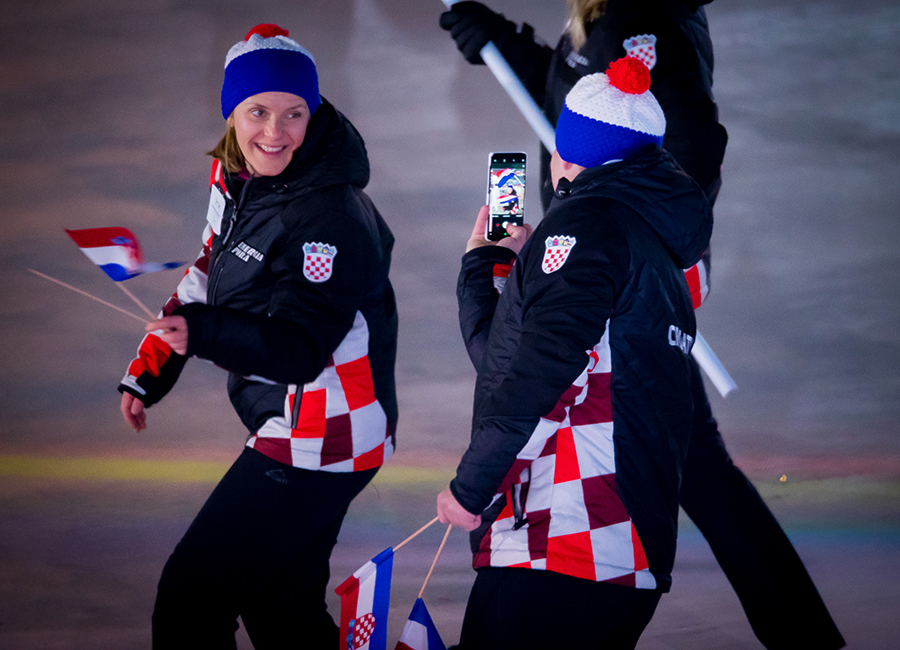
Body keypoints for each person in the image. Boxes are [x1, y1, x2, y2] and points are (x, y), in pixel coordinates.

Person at [440, 2, 846, 648]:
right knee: (687, 460)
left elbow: (688, 137)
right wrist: (505, 43)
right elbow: (593, 95)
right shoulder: (612, 22)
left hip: (604, 282)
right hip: (610, 272)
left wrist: (615, 233)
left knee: (680, 460)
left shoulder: (642, 22)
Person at [118, 23, 398, 649]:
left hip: (323, 431)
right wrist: (151, 367)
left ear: (314, 113)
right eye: (258, 112)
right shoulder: (236, 176)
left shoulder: (328, 215)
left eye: (294, 113)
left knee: (191, 600)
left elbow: (300, 349)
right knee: (283, 611)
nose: (275, 131)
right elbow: (210, 266)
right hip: (291, 416)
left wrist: (201, 332)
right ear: (231, 115)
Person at [438, 58, 712, 649]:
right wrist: (488, 266)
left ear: (566, 156)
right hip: (621, 552)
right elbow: (504, 362)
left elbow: (535, 376)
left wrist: (470, 486)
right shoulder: (657, 251)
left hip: (563, 541)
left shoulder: (586, 230)